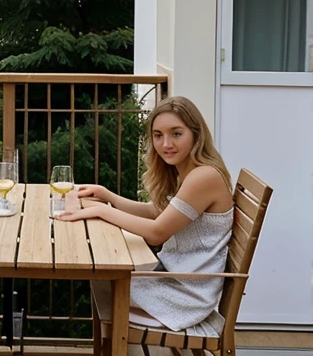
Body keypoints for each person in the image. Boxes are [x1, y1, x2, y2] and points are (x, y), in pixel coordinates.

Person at [55, 95, 234, 337]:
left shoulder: (203, 177)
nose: (166, 143)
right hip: (175, 279)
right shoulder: (190, 171)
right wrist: (110, 197)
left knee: (103, 279)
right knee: (101, 280)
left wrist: (102, 211)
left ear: (196, 134)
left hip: (185, 295)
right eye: (158, 135)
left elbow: (156, 232)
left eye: (176, 134)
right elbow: (159, 213)